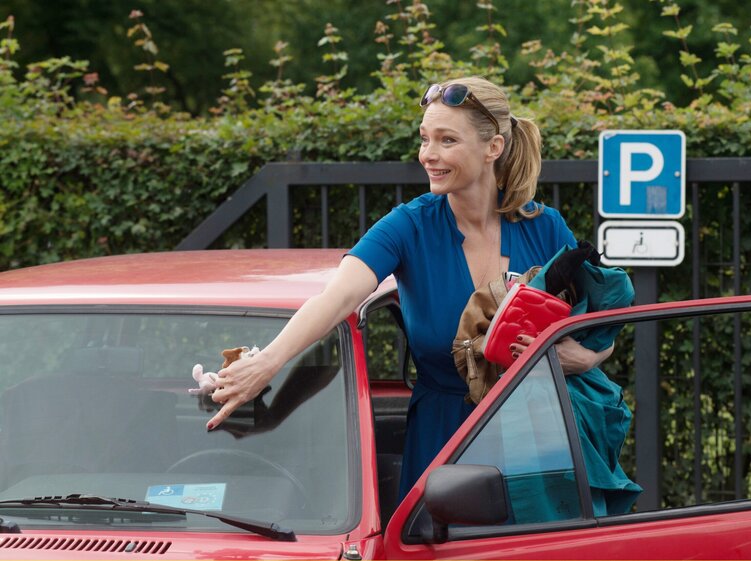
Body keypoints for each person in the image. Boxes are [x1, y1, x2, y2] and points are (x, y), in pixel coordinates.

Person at [206, 76, 616, 503]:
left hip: (539, 442)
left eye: (446, 140)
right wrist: (266, 363)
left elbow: (601, 324)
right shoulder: (408, 226)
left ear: (493, 147)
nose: (428, 155)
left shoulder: (545, 227)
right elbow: (336, 298)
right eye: (424, 138)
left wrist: (586, 358)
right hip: (444, 444)